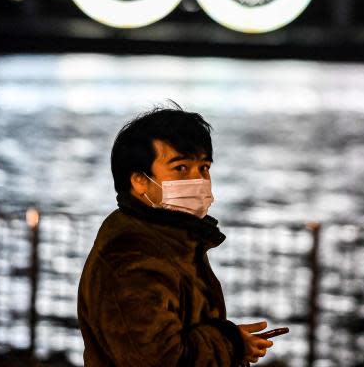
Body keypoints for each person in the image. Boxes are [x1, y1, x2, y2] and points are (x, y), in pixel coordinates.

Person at [78, 103, 274, 366]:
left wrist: (232, 343)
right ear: (139, 181)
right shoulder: (130, 254)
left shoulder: (173, 238)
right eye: (181, 168)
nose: (199, 180)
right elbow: (157, 358)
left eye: (204, 168)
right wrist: (231, 344)